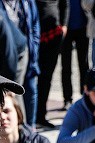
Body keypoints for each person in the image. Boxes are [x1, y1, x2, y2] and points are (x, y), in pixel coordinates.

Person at [0, 0, 40, 126]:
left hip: (19, 52)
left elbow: (10, 54)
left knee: (16, 92)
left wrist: (9, 83)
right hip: (2, 54)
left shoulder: (25, 3)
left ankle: (23, 129)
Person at [34, 0, 68, 128]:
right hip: (34, 36)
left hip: (54, 35)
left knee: (46, 77)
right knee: (30, 78)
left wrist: (64, 24)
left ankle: (41, 115)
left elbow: (65, 4)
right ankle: (28, 117)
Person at [60, 0, 89, 110]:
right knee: (66, 66)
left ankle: (85, 95)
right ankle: (67, 98)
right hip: (65, 28)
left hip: (83, 26)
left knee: (84, 64)